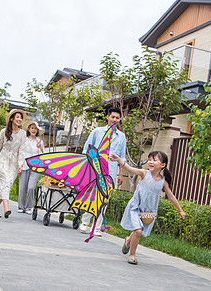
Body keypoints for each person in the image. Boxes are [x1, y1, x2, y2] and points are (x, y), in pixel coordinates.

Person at [109, 151, 186, 265]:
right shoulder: (144, 173)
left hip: (148, 212)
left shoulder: (163, 182)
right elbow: (130, 169)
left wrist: (180, 210)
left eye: (154, 160)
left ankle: (129, 240)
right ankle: (132, 255)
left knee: (137, 231)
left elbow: (170, 196)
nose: (150, 162)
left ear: (162, 165)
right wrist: (120, 161)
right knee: (138, 231)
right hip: (135, 207)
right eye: (150, 159)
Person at [79, 106, 127, 237]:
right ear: (108, 117)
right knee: (92, 196)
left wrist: (120, 173)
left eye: (117, 118)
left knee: (104, 200)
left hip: (110, 173)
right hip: (94, 170)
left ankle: (97, 227)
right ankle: (84, 222)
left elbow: (122, 157)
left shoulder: (121, 137)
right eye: (113, 117)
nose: (115, 120)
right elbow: (86, 150)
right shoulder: (97, 131)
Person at [0, 109, 27, 219]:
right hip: (3, 159)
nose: (19, 119)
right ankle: (6, 208)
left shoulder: (22, 134)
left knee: (6, 185)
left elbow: (22, 150)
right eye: (17, 117)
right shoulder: (3, 132)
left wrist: (20, 164)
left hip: (14, 162)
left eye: (21, 117)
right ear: (11, 119)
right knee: (5, 181)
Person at [18, 121, 45, 214]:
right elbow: (20, 152)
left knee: (31, 187)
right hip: (24, 165)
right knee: (22, 187)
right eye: (32, 128)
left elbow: (44, 155)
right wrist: (19, 164)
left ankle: (29, 207)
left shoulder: (40, 141)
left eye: (35, 128)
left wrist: (40, 148)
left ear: (37, 130)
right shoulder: (24, 140)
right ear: (29, 129)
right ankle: (21, 206)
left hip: (35, 167)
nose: (33, 130)